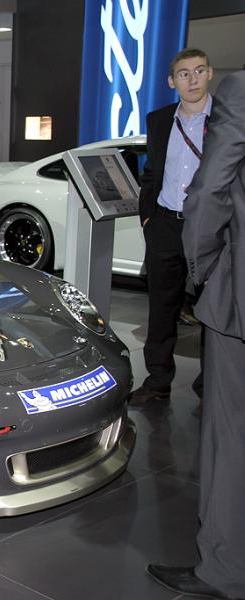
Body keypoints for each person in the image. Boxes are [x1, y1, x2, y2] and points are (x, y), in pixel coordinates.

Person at [148, 70, 245, 600]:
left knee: (231, 437)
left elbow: (209, 194)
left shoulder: (239, 93)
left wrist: (205, 273)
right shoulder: (162, 120)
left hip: (238, 303)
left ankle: (225, 570)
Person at [129, 48, 210, 407]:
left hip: (208, 229)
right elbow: (152, 173)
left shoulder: (226, 120)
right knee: (162, 309)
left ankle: (211, 385)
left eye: (199, 71)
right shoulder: (160, 119)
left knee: (211, 310)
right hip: (165, 224)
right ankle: (158, 381)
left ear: (210, 74)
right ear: (171, 81)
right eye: (184, 74)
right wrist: (148, 218)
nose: (192, 80)